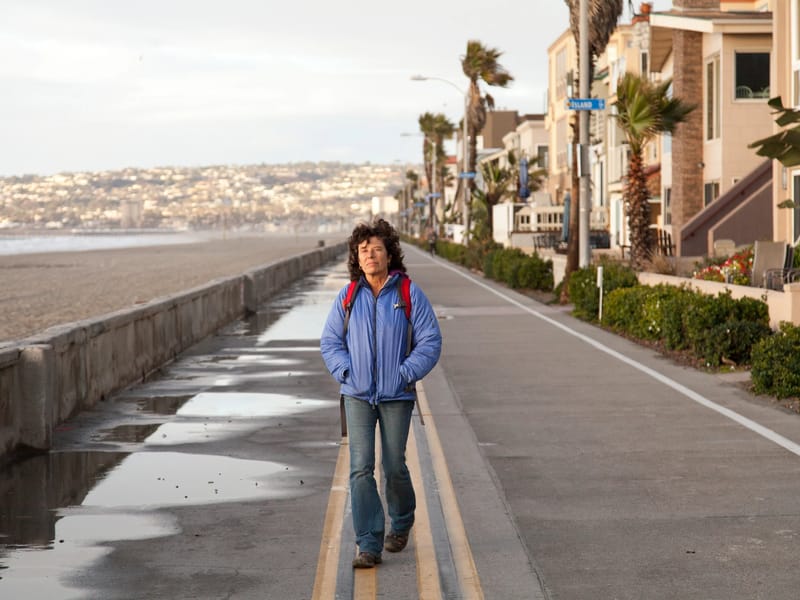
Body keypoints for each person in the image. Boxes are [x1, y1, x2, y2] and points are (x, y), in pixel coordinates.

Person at [320, 218, 442, 569]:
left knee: (393, 466)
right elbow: (330, 342)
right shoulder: (347, 296)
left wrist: (405, 373)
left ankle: (401, 522)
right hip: (357, 395)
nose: (370, 255)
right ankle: (368, 543)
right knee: (360, 469)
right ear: (356, 259)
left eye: (377, 249)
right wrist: (346, 371)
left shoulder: (408, 294)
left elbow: (430, 341)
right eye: (363, 250)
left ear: (390, 255)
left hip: (395, 396)